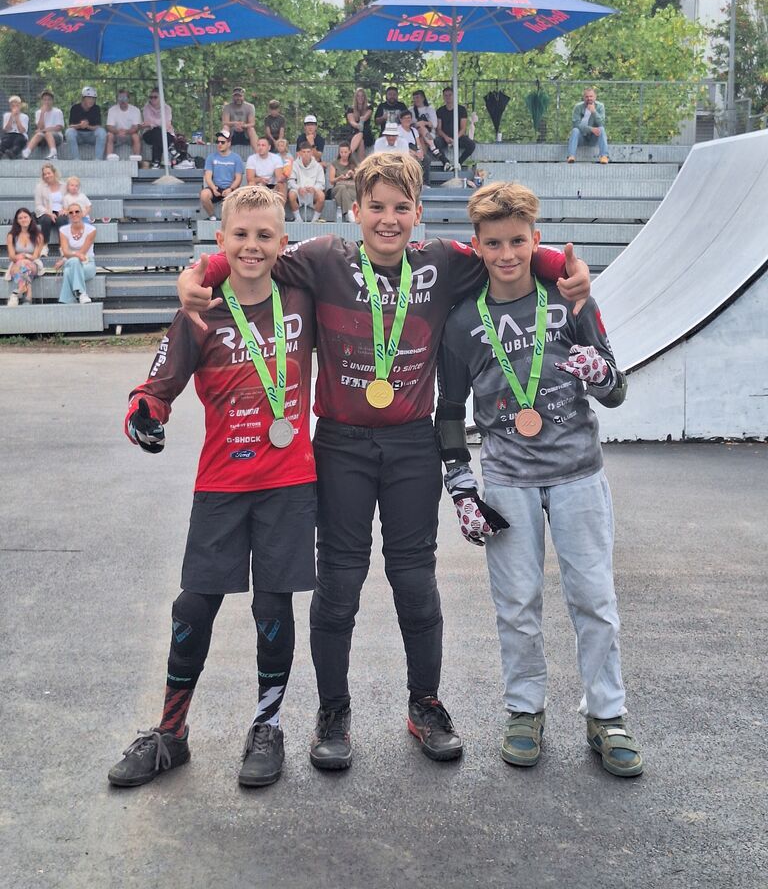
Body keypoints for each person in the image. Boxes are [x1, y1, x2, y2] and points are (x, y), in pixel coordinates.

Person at [177, 151, 591, 772]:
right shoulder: (324, 258)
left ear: (418, 212)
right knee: (339, 584)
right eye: (376, 207)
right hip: (340, 445)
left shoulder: (443, 263)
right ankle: (333, 713)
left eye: (401, 207)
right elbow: (251, 252)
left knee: (415, 581)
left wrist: (565, 266)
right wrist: (201, 271)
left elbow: (508, 253)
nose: (388, 219)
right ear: (356, 211)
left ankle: (425, 704)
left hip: (411, 447)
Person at [107, 185, 317, 790]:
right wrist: (144, 416)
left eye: (265, 235)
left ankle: (267, 728)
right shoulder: (200, 310)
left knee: (272, 606)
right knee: (192, 607)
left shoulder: (301, 294)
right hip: (222, 483)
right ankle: (171, 734)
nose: (252, 246)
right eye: (240, 235)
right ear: (221, 239)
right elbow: (156, 387)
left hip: (288, 483)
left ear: (283, 242)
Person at [436, 181, 642, 778]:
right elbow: (449, 412)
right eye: (494, 243)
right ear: (476, 245)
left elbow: (617, 390)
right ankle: (525, 710)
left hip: (579, 473)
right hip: (507, 480)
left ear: (536, 240)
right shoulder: (461, 324)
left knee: (594, 599)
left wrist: (599, 372)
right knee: (517, 604)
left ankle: (607, 715)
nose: (507, 254)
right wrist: (460, 485)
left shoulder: (571, 300)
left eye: (518, 242)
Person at [55, 203, 96, 304]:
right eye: (71, 212)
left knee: (68, 272)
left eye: (77, 211)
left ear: (82, 213)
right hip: (70, 261)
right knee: (74, 261)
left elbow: (82, 253)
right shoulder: (63, 230)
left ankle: (68, 300)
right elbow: (65, 251)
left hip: (87, 263)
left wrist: (66, 258)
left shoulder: (91, 230)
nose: (74, 214)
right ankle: (82, 293)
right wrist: (73, 255)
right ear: (68, 215)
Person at [5, 208, 44, 306]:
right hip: (16, 264)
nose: (23, 220)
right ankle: (28, 295)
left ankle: (19, 290)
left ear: (30, 218)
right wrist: (20, 259)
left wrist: (24, 256)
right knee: (22, 264)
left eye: (25, 217)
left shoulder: (38, 235)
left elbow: (35, 256)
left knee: (24, 263)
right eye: (20, 218)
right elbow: (11, 256)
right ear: (17, 221)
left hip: (33, 264)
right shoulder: (11, 235)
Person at [200, 130, 244, 218]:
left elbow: (238, 178)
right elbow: (208, 177)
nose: (219, 144)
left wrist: (230, 189)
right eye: (218, 142)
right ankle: (212, 217)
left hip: (231, 188)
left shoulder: (236, 158)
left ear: (229, 143)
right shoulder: (211, 157)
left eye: (222, 142)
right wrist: (213, 188)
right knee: (204, 194)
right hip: (216, 187)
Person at [434, 86, 475, 168]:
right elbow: (439, 129)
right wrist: (446, 137)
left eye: (450, 95)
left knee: (471, 145)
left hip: (458, 137)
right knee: (436, 142)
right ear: (443, 97)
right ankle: (446, 163)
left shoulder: (461, 110)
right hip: (445, 138)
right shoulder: (440, 110)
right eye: (446, 95)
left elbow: (463, 128)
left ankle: (459, 163)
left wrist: (455, 139)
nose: (448, 97)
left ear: (454, 96)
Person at [567, 88, 609, 164]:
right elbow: (576, 124)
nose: (589, 98)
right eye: (587, 96)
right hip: (581, 138)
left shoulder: (600, 106)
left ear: (595, 97)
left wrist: (594, 112)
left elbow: (601, 123)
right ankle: (571, 156)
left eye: (591, 96)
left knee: (601, 129)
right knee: (575, 130)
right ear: (584, 97)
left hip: (593, 138)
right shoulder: (578, 107)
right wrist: (591, 129)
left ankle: (604, 156)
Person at [286, 143, 326, 222]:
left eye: (308, 152)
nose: (306, 154)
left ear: (311, 153)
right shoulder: (294, 165)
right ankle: (298, 218)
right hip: (299, 191)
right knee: (291, 195)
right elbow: (291, 181)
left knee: (321, 196)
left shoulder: (318, 166)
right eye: (303, 152)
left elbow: (321, 183)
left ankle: (315, 220)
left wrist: (314, 188)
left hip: (313, 192)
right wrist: (299, 188)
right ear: (300, 153)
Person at [65, 87, 106, 161]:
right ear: (83, 98)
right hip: (78, 136)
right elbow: (70, 126)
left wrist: (87, 126)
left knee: (102, 132)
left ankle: (98, 159)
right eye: (89, 98)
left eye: (93, 98)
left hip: (91, 136)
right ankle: (76, 159)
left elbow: (98, 126)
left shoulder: (96, 108)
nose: (91, 100)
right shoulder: (75, 108)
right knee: (69, 132)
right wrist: (80, 125)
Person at [22, 89, 64, 160]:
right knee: (39, 134)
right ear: (41, 101)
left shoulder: (58, 112)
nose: (47, 102)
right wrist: (42, 113)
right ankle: (27, 152)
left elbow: (59, 127)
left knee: (47, 133)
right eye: (44, 100)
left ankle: (54, 154)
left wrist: (44, 130)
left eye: (49, 99)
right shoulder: (38, 112)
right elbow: (40, 128)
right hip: (43, 138)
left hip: (57, 137)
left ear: (52, 101)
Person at [33, 162, 67, 248]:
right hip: (46, 212)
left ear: (54, 173)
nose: (47, 176)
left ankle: (63, 246)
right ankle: (44, 245)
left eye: (49, 173)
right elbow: (38, 205)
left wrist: (65, 209)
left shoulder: (64, 186)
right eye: (45, 174)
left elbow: (70, 200)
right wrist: (49, 213)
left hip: (60, 212)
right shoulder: (40, 187)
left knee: (61, 220)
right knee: (46, 219)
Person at [246, 137, 287, 203]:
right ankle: (254, 207)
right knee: (251, 184)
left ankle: (280, 208)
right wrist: (260, 180)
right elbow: (249, 179)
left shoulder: (276, 158)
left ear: (269, 147)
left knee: (281, 185)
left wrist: (283, 177)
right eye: (258, 145)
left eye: (263, 145)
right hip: (258, 185)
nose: (260, 147)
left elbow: (279, 178)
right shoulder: (251, 159)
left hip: (273, 185)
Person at [142, 87, 175, 168]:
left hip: (166, 133)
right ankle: (170, 149)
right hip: (149, 134)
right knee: (157, 131)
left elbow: (165, 123)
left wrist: (153, 124)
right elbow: (148, 121)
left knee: (158, 134)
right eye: (151, 97)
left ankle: (156, 162)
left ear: (161, 98)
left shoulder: (167, 108)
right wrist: (159, 124)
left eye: (155, 97)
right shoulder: (146, 108)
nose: (152, 99)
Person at [105, 89, 142, 157]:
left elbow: (136, 127)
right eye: (120, 98)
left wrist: (126, 132)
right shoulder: (112, 110)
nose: (122, 100)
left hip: (130, 134)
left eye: (125, 98)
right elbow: (109, 126)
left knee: (136, 136)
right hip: (116, 134)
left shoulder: (135, 110)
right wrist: (117, 132)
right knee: (110, 136)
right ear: (117, 99)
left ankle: (136, 159)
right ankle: (109, 158)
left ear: (128, 99)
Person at [222, 86, 258, 153]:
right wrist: (235, 124)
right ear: (233, 97)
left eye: (240, 96)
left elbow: (252, 123)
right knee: (225, 128)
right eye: (236, 96)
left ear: (243, 96)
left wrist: (243, 125)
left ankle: (258, 153)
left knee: (251, 129)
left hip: (245, 133)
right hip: (232, 134)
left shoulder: (250, 107)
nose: (238, 98)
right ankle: (223, 153)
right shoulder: (227, 107)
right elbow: (225, 122)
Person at [328, 141, 357, 220]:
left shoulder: (354, 164)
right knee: (342, 188)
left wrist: (353, 174)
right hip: (338, 187)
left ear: (349, 152)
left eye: (345, 152)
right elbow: (331, 181)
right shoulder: (334, 163)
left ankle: (347, 213)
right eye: (341, 152)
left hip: (351, 187)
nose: (343, 154)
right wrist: (339, 178)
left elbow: (358, 180)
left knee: (347, 191)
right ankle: (349, 211)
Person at [344, 88, 374, 163]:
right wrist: (358, 126)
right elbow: (351, 122)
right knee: (360, 140)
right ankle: (362, 164)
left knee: (361, 136)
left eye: (362, 96)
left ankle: (347, 155)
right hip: (354, 133)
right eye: (358, 96)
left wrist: (362, 120)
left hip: (366, 134)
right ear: (355, 97)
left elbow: (366, 116)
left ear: (365, 97)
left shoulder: (369, 107)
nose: (360, 98)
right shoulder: (350, 109)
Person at [411, 90, 438, 156]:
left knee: (421, 137)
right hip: (415, 133)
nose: (416, 100)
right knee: (420, 132)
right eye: (414, 98)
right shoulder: (411, 110)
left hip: (429, 134)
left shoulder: (430, 109)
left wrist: (424, 123)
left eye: (417, 97)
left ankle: (423, 159)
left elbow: (435, 124)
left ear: (423, 98)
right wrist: (417, 124)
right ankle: (433, 148)